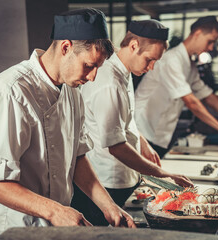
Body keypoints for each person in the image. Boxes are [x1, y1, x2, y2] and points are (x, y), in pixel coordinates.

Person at [0, 8, 136, 240]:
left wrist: (108, 205)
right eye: (89, 65)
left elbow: (78, 157)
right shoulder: (9, 91)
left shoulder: (73, 92)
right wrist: (56, 211)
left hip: (54, 228)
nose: (93, 77)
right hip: (9, 230)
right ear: (66, 47)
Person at [72, 19, 194, 226]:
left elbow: (125, 121)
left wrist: (142, 141)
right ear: (133, 45)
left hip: (124, 176)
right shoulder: (108, 82)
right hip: (106, 180)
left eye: (156, 61)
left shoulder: (124, 71)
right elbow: (116, 147)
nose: (152, 67)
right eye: (149, 60)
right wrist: (165, 174)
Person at [134, 16, 218, 158]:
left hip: (159, 133)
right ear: (197, 33)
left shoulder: (190, 65)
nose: (211, 47)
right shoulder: (171, 60)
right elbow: (191, 101)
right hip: (142, 130)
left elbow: (207, 96)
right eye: (210, 41)